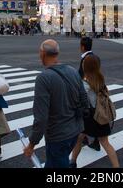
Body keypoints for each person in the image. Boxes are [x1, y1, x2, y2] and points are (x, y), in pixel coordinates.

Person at [24, 40, 89, 168]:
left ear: (42, 54)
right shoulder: (72, 70)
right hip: (75, 130)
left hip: (58, 135)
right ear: (57, 53)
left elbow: (41, 117)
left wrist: (31, 144)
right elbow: (84, 98)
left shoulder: (43, 78)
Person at [70, 55, 119, 168]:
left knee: (79, 139)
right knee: (105, 143)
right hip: (100, 116)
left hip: (88, 117)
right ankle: (116, 167)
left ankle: (73, 162)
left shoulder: (84, 84)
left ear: (84, 67)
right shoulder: (100, 80)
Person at [78, 37, 102, 151]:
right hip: (94, 90)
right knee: (90, 117)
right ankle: (88, 139)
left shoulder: (86, 59)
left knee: (87, 117)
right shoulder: (94, 56)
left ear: (82, 47)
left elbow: (82, 77)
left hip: (87, 92)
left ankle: (91, 140)